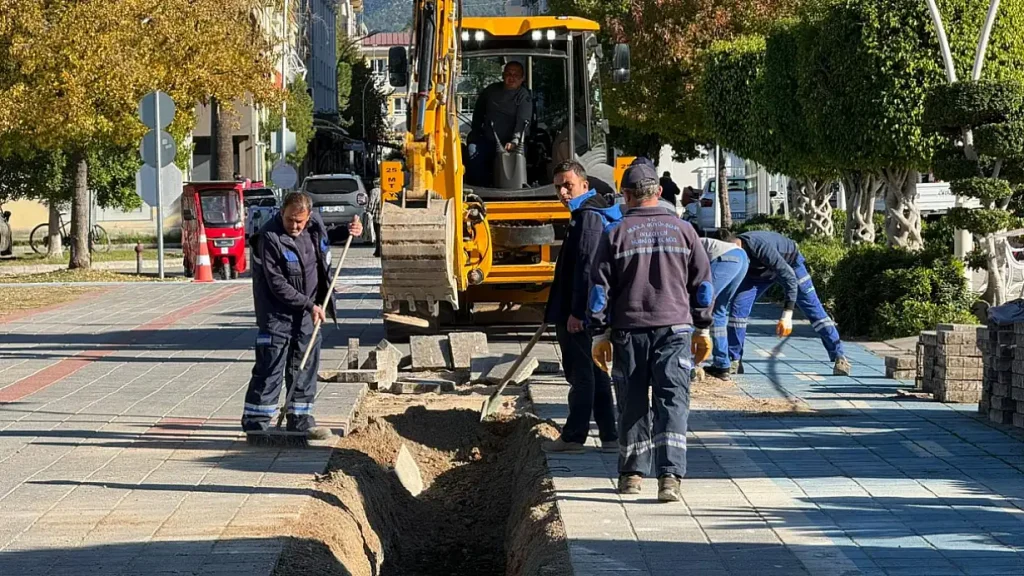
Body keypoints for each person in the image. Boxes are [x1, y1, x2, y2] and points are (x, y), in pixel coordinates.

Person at [588, 162, 714, 502]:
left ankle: (631, 475)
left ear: (625, 196)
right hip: (674, 330)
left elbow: (599, 291)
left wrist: (599, 333)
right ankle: (669, 478)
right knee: (672, 400)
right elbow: (702, 285)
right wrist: (703, 327)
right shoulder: (684, 231)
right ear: (658, 192)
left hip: (628, 332)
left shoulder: (614, 234)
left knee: (631, 402)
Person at [243, 192, 363, 439]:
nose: (294, 226)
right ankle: (256, 423)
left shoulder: (314, 224)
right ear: (281, 213)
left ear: (308, 217)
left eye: (299, 221)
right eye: (289, 220)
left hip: (308, 313)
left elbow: (324, 240)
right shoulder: (269, 237)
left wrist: (348, 231)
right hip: (276, 315)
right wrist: (309, 305)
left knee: (305, 366)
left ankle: (300, 420)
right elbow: (277, 284)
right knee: (271, 368)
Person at [542, 161, 622, 454]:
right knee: (597, 371)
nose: (563, 192)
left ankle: (574, 437)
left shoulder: (588, 217)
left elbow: (587, 268)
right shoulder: (589, 213)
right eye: (558, 187)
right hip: (586, 310)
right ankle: (610, 435)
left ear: (584, 186)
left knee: (581, 374)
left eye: (568, 185)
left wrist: (577, 312)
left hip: (580, 313)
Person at [722, 229, 851, 376]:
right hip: (759, 274)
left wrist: (787, 315)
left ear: (738, 247)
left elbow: (789, 278)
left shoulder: (759, 246)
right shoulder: (732, 252)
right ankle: (734, 360)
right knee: (738, 308)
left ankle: (840, 357)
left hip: (790, 265)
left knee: (814, 310)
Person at [467, 61, 533, 186]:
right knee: (472, 151)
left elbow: (522, 121)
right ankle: (482, 188)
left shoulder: (524, 97)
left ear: (522, 78)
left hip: (513, 143)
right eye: (508, 73)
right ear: (503, 75)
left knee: (516, 160)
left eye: (516, 75)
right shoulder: (491, 91)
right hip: (488, 140)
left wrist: (515, 141)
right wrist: (476, 131)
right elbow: (479, 111)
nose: (511, 77)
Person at [698, 236, 750, 380]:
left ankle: (686, 363)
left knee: (702, 300)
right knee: (718, 311)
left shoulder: (680, 245)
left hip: (727, 258)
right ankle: (722, 365)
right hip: (742, 259)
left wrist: (701, 330)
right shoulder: (685, 239)